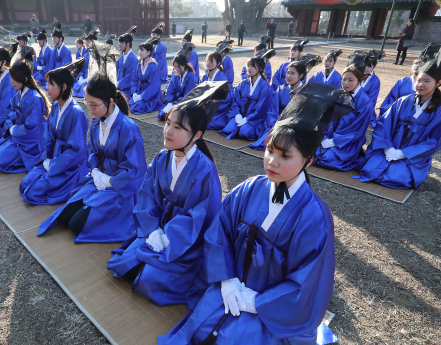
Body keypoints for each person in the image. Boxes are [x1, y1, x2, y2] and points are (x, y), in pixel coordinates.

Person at [158, 82, 352, 345]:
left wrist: (258, 302)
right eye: (269, 150)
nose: (272, 161)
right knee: (200, 331)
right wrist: (226, 279)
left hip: (270, 308)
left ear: (309, 161)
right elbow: (219, 233)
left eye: (285, 156)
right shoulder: (249, 188)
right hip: (231, 287)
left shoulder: (314, 217)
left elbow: (307, 283)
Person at [107, 82, 227, 308]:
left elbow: (199, 218)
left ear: (197, 135)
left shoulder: (205, 170)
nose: (168, 131)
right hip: (156, 230)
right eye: (168, 123)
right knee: (122, 265)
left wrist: (168, 237)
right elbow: (147, 196)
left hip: (184, 242)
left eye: (178, 128)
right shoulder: (163, 157)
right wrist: (152, 230)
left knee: (149, 282)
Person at [39, 74, 147, 242]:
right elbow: (91, 151)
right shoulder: (97, 120)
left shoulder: (129, 128)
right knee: (65, 216)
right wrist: (95, 171)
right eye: (88, 104)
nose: (90, 110)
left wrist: (110, 181)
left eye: (94, 105)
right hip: (98, 180)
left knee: (77, 224)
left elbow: (135, 170)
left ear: (111, 101)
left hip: (120, 188)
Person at [354, 47, 441, 189]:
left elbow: (434, 141)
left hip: (412, 156)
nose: (420, 85)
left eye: (427, 81)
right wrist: (387, 147)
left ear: (438, 83)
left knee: (397, 178)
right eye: (418, 80)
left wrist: (403, 153)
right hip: (389, 147)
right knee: (370, 169)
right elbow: (384, 125)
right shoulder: (403, 101)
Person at [19, 59, 89, 205]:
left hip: (68, 166)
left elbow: (77, 150)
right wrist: (46, 159)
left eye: (51, 84)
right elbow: (48, 138)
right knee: (25, 183)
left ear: (63, 87)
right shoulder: (56, 107)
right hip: (52, 159)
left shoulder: (76, 113)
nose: (46, 87)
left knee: (31, 193)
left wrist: (54, 165)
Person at [0, 52, 49, 173]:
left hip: (30, 142)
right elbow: (10, 113)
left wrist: (15, 130)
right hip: (18, 134)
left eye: (14, 80)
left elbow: (34, 128)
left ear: (24, 79)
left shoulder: (34, 98)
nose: (12, 82)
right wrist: (11, 126)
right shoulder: (19, 93)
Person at [249, 54, 322, 151]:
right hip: (278, 123)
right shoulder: (281, 89)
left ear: (300, 76)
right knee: (269, 141)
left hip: (295, 128)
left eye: (292, 73)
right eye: (287, 73)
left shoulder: (307, 93)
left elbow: (306, 117)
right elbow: (273, 110)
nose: (288, 76)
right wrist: (275, 124)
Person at [315, 63, 374, 171]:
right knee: (309, 151)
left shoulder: (365, 102)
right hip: (328, 136)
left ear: (360, 81)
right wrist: (324, 137)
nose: (346, 83)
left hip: (347, 142)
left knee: (326, 159)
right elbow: (324, 118)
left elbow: (358, 130)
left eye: (351, 80)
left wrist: (335, 141)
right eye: (344, 79)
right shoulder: (337, 94)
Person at [220, 51, 273, 141]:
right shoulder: (243, 84)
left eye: (252, 66)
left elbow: (262, 109)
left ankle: (246, 126)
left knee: (244, 132)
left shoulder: (265, 87)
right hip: (240, 114)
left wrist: (247, 119)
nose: (249, 68)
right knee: (228, 129)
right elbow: (235, 101)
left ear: (260, 69)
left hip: (255, 118)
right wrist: (237, 115)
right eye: (248, 66)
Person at [159, 48, 197, 120]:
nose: (176, 69)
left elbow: (189, 95)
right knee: (163, 112)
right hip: (176, 100)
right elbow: (170, 89)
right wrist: (171, 100)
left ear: (184, 65)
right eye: (175, 67)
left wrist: (178, 102)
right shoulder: (176, 75)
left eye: (178, 67)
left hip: (186, 101)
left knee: (176, 113)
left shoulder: (191, 76)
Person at [129, 39, 164, 114]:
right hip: (139, 91)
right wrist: (134, 93)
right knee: (129, 103)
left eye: (142, 50)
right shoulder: (139, 65)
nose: (139, 52)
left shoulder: (153, 67)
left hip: (151, 95)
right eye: (139, 50)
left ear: (148, 53)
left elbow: (154, 86)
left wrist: (141, 96)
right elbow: (134, 80)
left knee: (137, 107)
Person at [202, 52, 233, 130]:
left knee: (202, 122)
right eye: (207, 61)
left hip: (217, 111)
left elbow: (226, 100)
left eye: (211, 61)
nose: (208, 63)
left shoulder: (223, 80)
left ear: (218, 63)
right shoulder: (205, 76)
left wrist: (209, 105)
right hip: (205, 107)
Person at [73, 28, 99, 98]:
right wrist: (81, 77)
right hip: (84, 76)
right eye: (86, 41)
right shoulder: (87, 53)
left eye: (88, 41)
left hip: (92, 79)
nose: (86, 43)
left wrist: (86, 80)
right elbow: (83, 67)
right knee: (75, 88)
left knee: (83, 91)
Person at [116, 26, 138, 100]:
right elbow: (115, 69)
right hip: (117, 84)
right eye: (119, 42)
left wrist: (119, 83)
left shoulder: (133, 59)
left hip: (127, 87)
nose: (119, 44)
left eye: (121, 42)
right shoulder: (120, 56)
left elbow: (130, 76)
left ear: (128, 44)